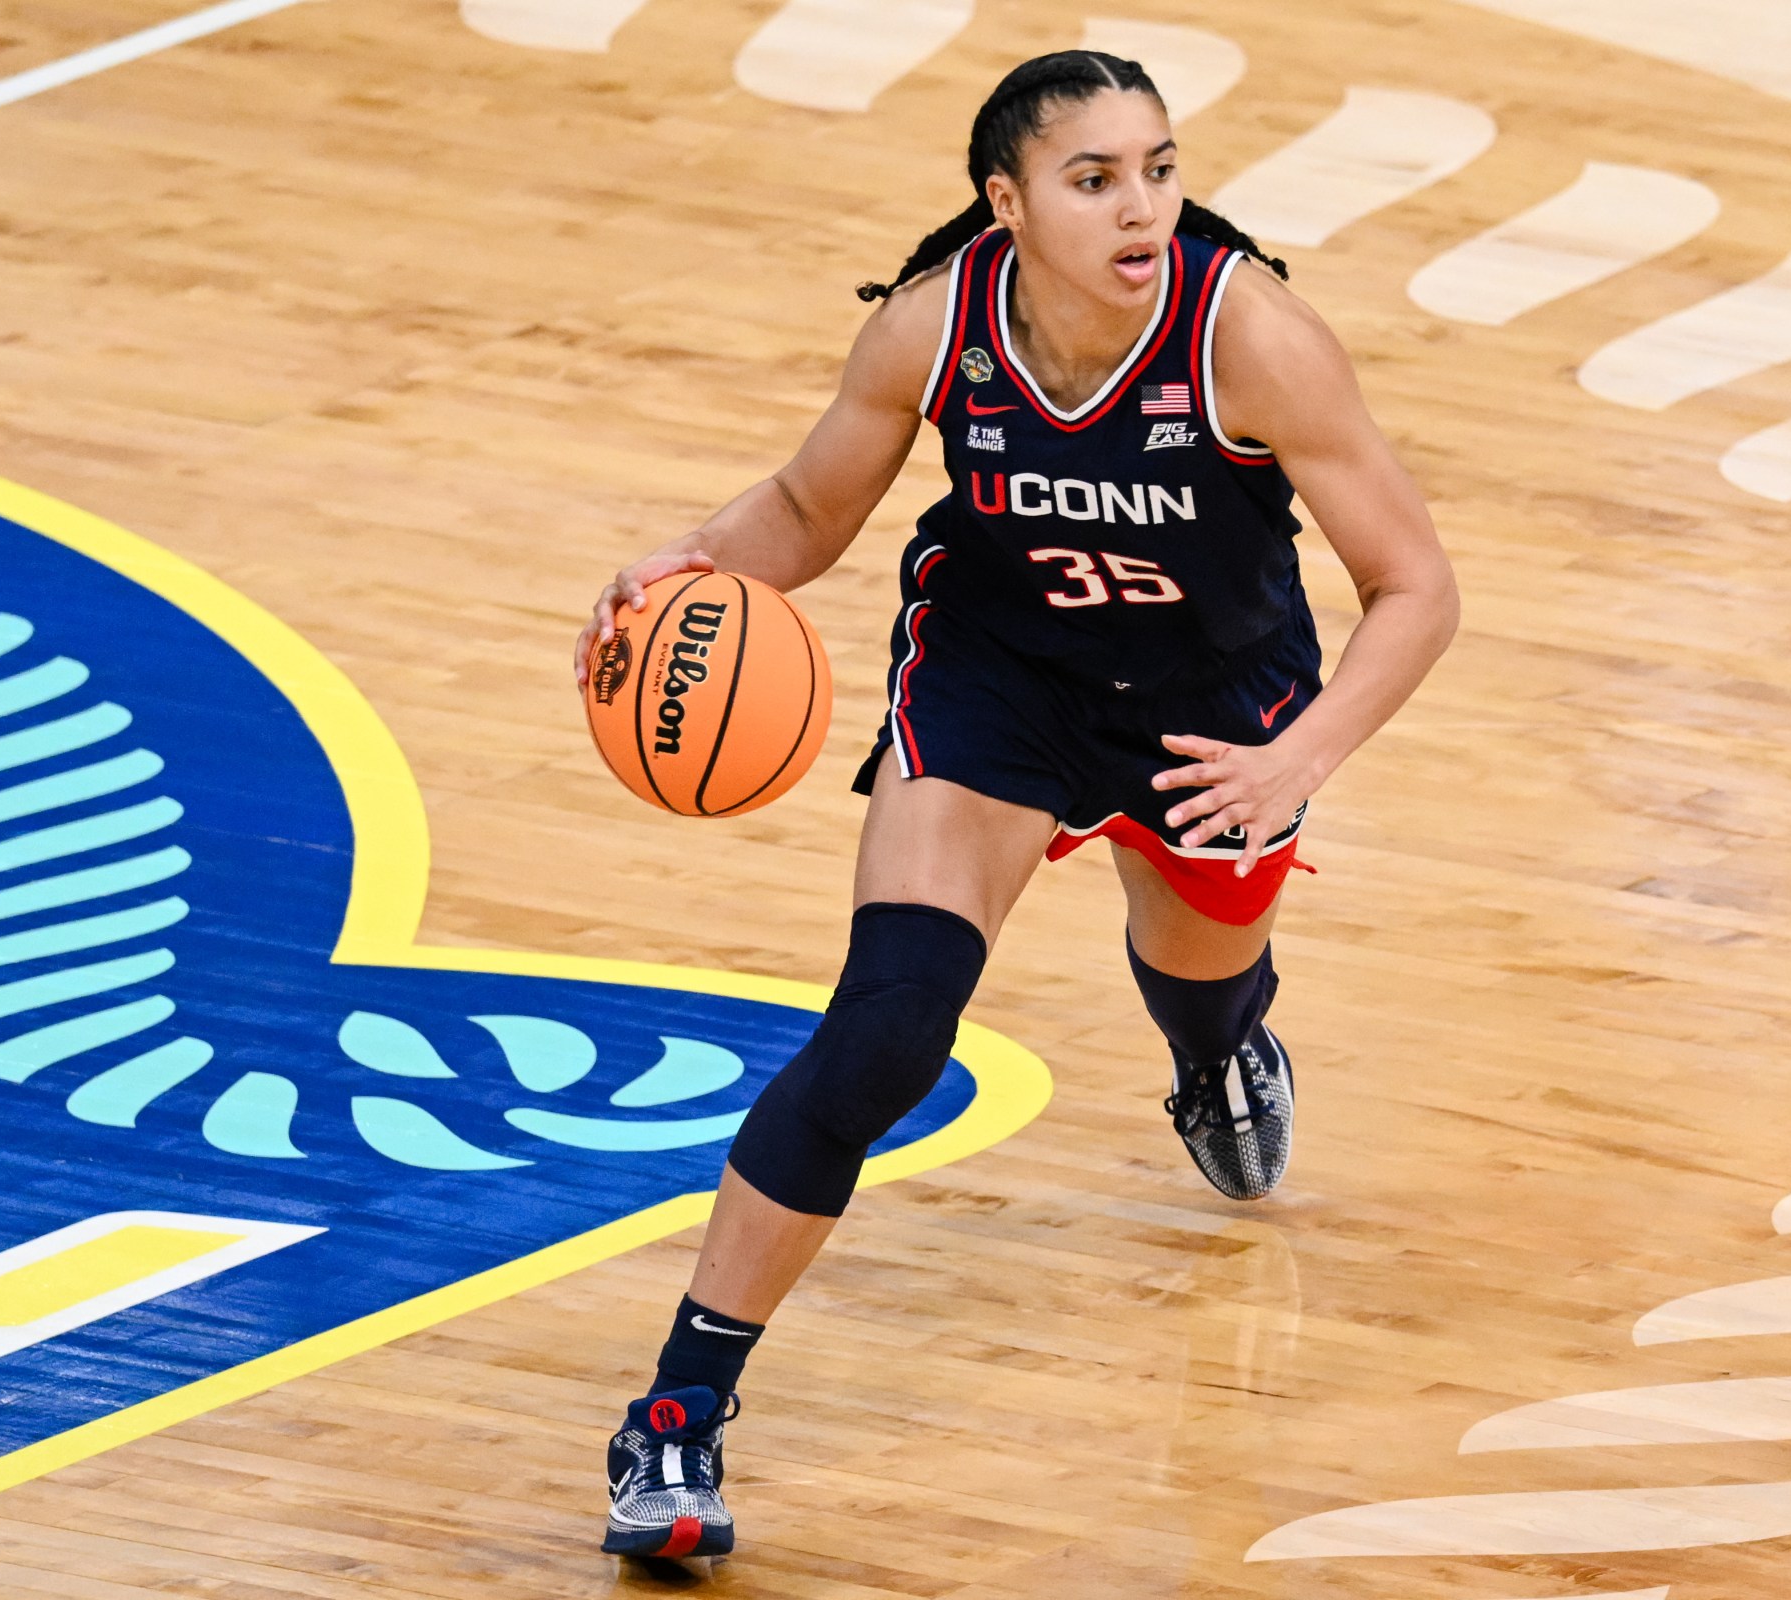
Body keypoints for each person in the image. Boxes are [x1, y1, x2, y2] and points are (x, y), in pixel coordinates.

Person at [572, 48, 1457, 1565]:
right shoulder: (934, 326)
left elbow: (1416, 587)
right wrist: (682, 564)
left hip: (1211, 707)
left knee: (1204, 972)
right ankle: (674, 1417)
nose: (1141, 209)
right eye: (1095, 178)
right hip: (999, 682)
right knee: (888, 1028)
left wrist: (1297, 763)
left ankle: (1216, 1049)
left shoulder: (1253, 337)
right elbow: (803, 511)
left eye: (1160, 170)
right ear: (1008, 200)